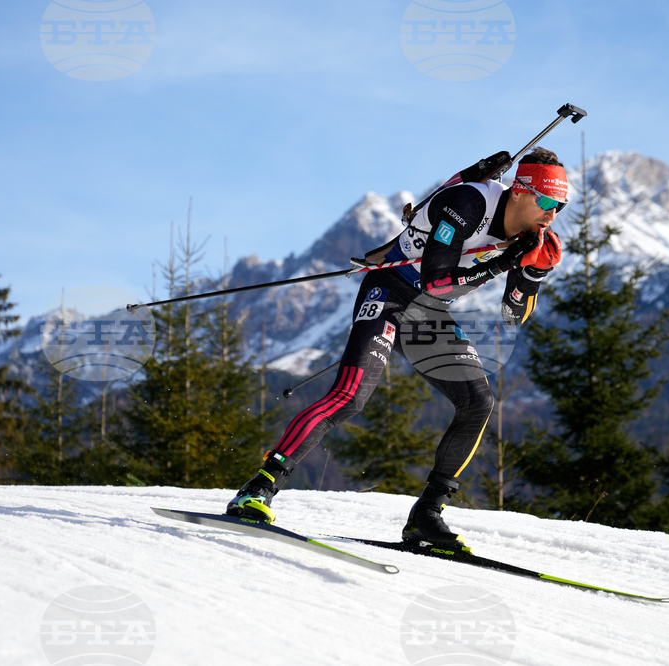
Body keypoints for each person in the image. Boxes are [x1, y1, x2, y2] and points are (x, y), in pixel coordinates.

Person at [226, 147, 567, 547]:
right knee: (350, 396)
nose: (552, 213)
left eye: (560, 205)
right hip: (390, 291)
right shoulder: (467, 202)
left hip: (426, 313)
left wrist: (533, 273)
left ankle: (426, 515)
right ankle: (258, 488)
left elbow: (513, 314)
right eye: (546, 201)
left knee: (478, 401)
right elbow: (437, 279)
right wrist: (497, 264)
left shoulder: (540, 237)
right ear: (520, 191)